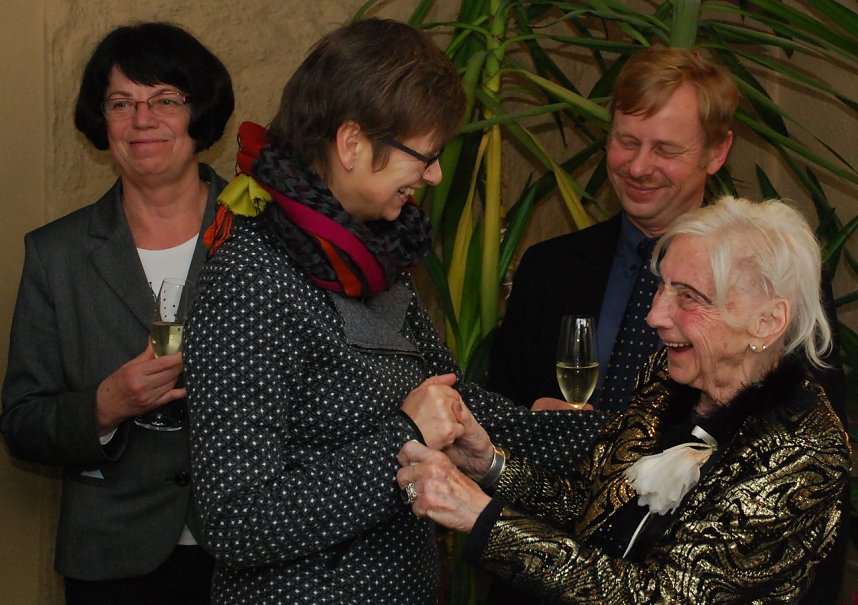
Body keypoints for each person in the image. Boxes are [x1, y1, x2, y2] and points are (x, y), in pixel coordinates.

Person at [183, 18, 610, 605]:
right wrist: (404, 437)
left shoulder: (374, 261)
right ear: (352, 143)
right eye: (425, 155)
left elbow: (454, 406)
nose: (434, 175)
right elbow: (236, 520)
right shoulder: (251, 277)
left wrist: (610, 437)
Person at [399, 195, 850, 604]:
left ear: (767, 323)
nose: (655, 315)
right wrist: (491, 466)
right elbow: (594, 507)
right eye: (661, 286)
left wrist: (483, 519)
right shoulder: (666, 378)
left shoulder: (807, 449)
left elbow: (661, 596)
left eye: (688, 297)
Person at [1, 22, 234, 604]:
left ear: (198, 114)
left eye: (165, 100)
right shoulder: (56, 253)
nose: (142, 121)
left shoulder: (266, 236)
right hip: (112, 559)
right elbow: (23, 421)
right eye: (121, 103)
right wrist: (104, 407)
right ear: (100, 124)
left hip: (248, 545)